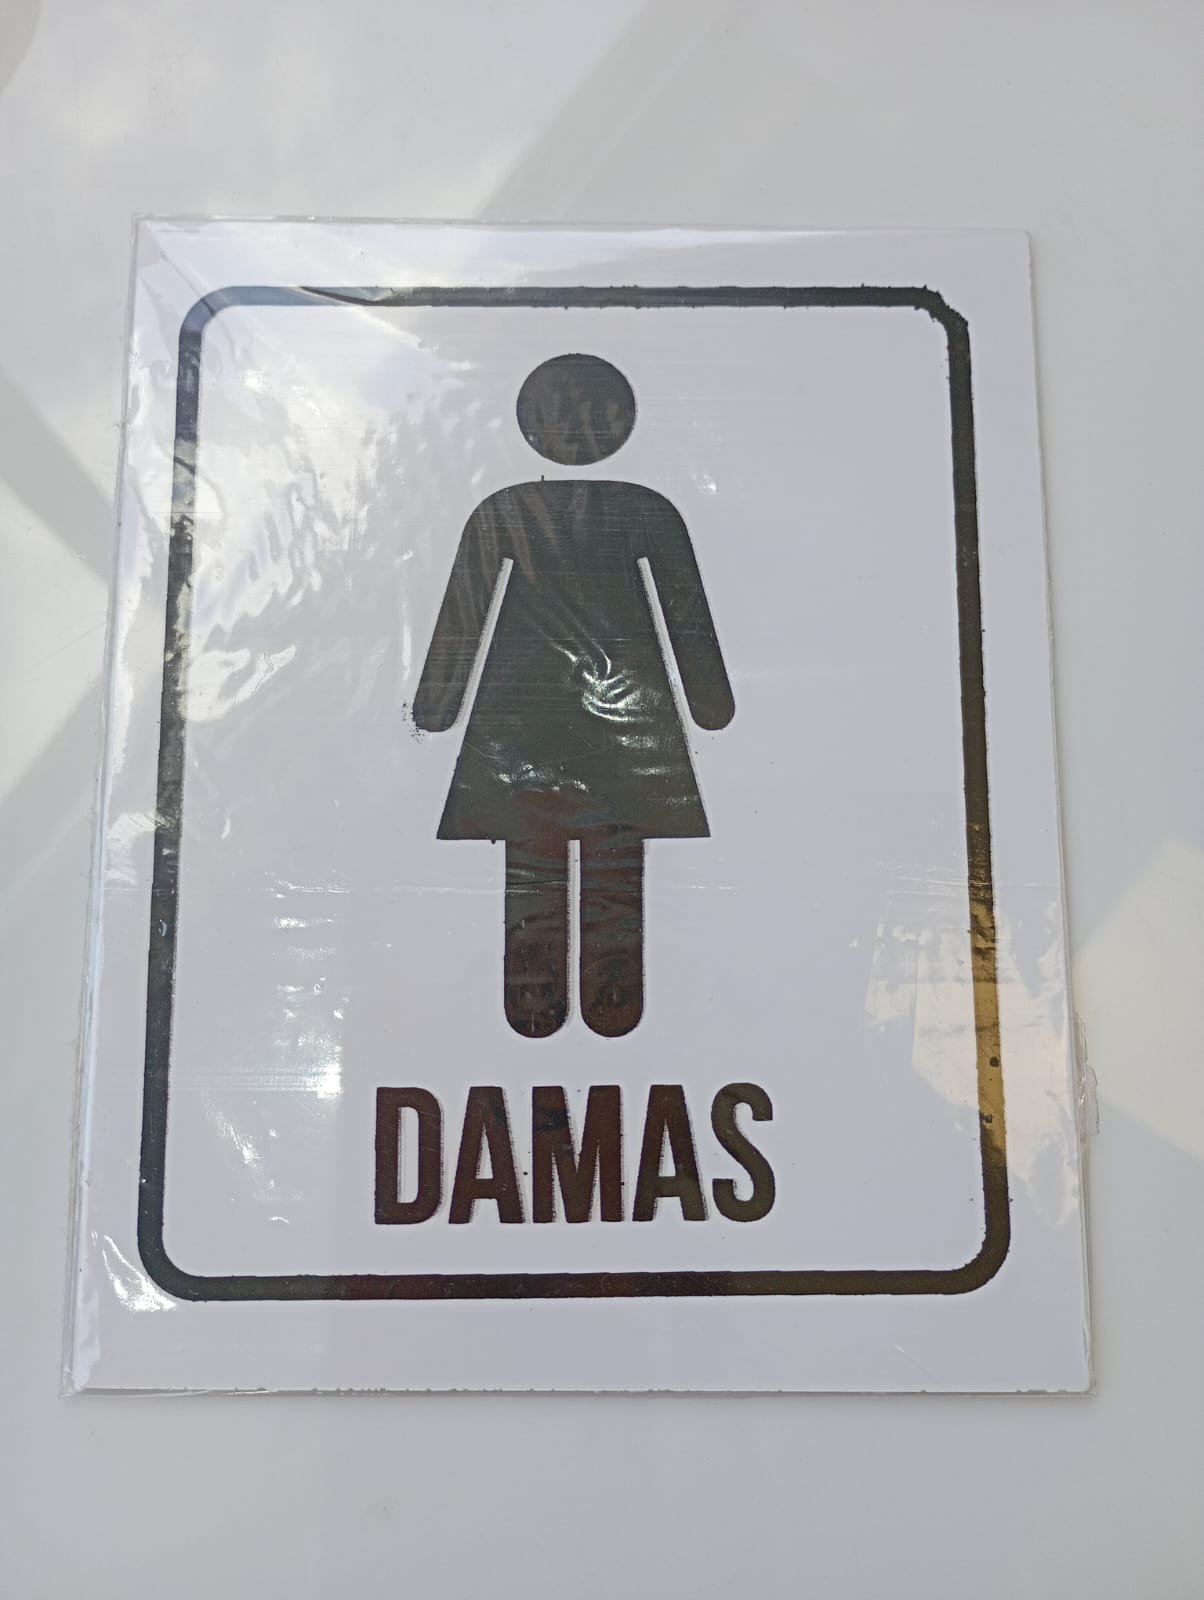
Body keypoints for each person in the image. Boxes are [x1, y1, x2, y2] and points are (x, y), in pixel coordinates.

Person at [414, 353, 734, 1038]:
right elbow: (685, 614)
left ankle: (571, 997)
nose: (576, 428)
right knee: (582, 855)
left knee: (555, 857)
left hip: (527, 716)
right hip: (601, 723)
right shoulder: (629, 508)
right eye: (564, 414)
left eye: (588, 414)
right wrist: (709, 703)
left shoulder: (520, 508)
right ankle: (578, 997)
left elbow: (685, 608)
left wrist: (437, 706)